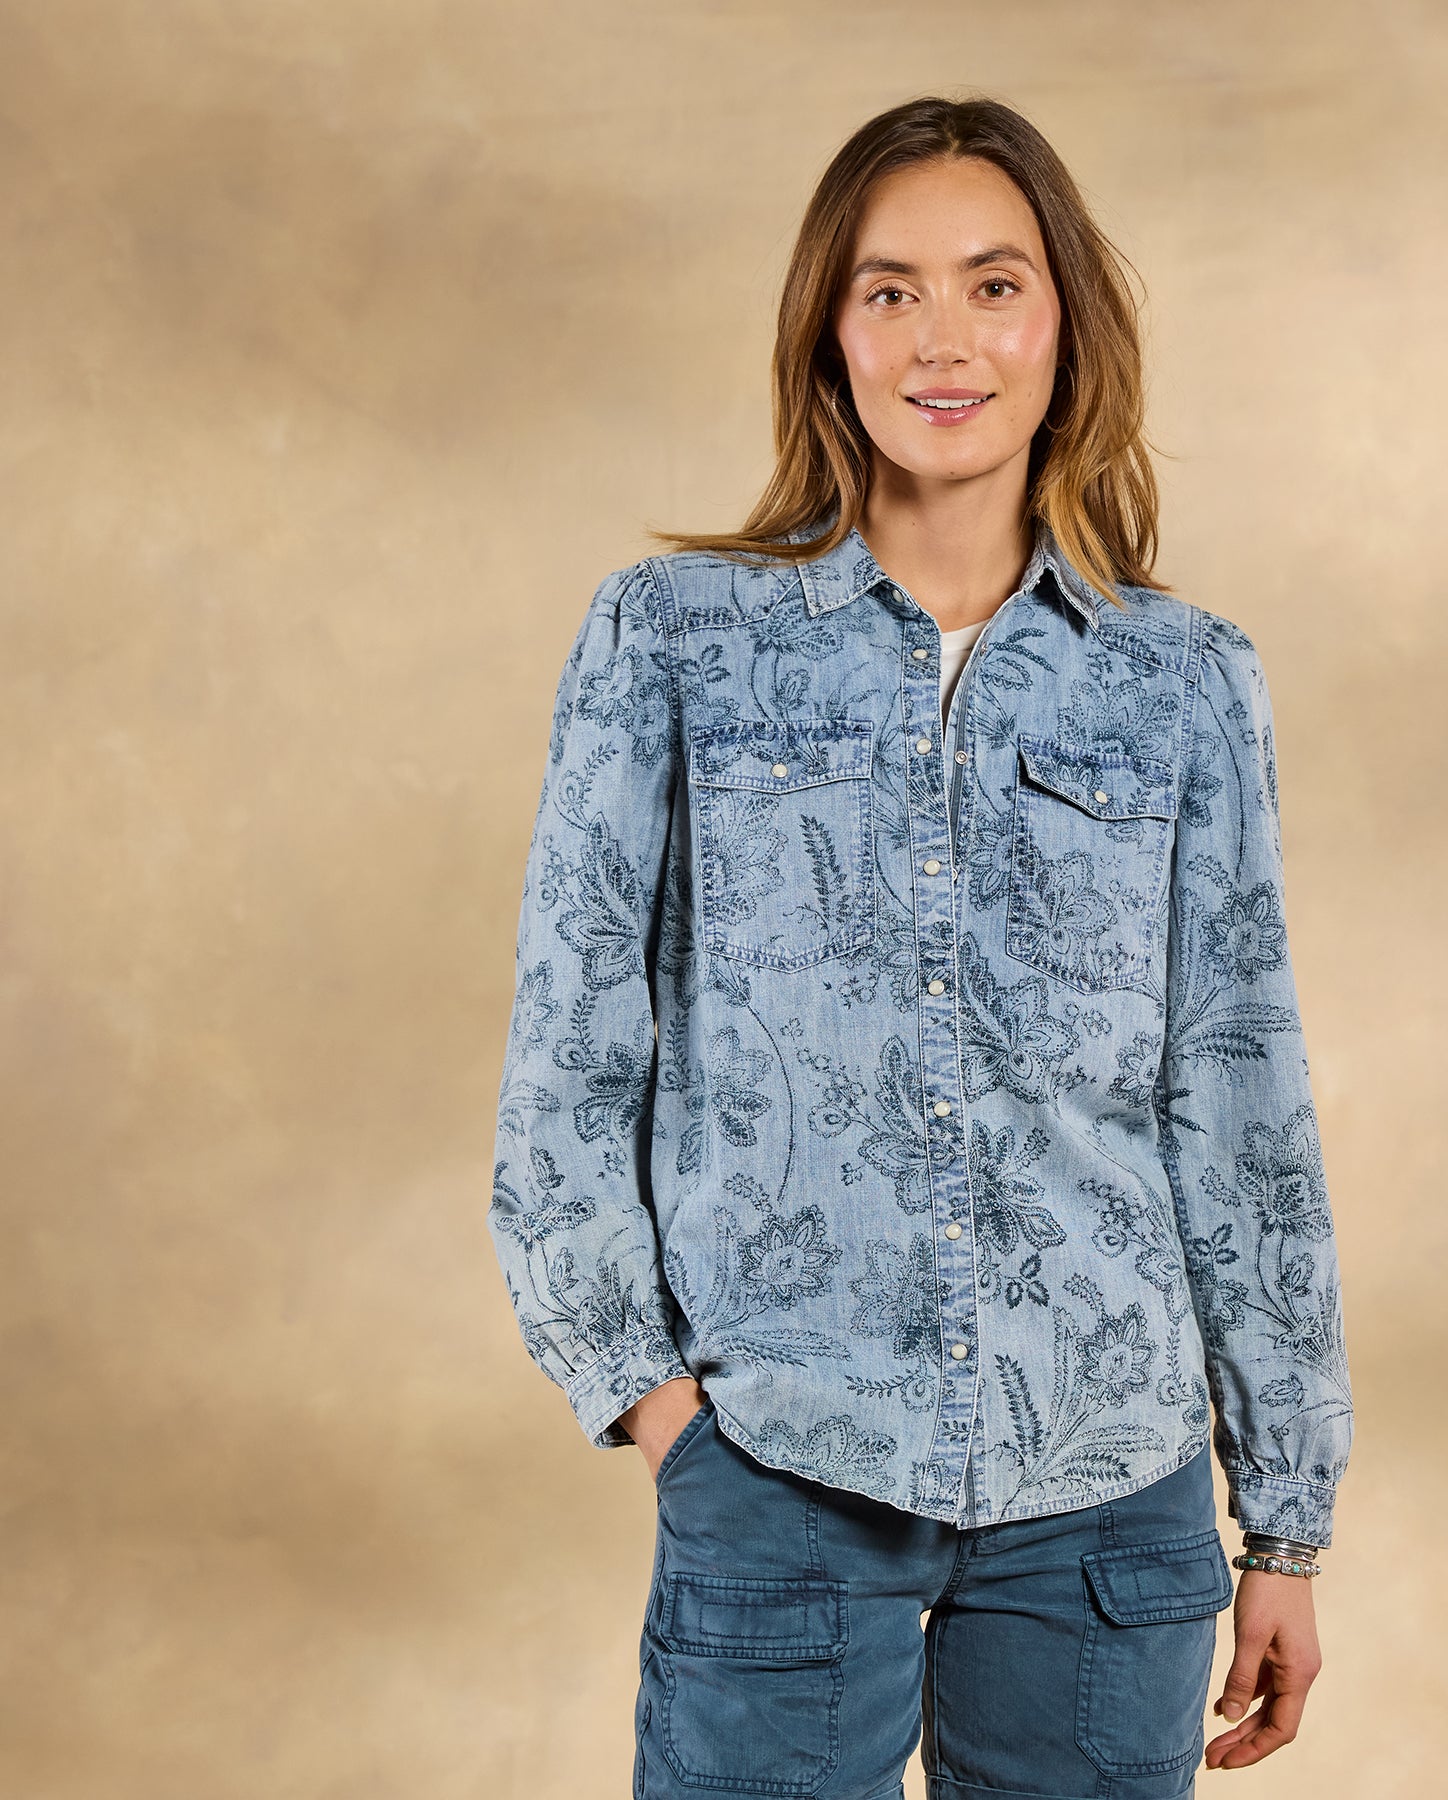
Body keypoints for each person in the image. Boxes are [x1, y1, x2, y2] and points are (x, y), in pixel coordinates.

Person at [488, 93, 1354, 1797]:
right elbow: (569, 1062)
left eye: (993, 286)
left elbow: (1240, 1109)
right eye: (890, 291)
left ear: (1064, 328)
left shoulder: (1184, 680)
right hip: (781, 1477)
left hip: (1109, 1515)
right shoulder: (673, 642)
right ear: (830, 332)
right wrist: (662, 1411)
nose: (942, 340)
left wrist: (1288, 1523)